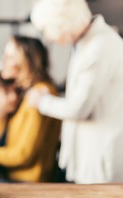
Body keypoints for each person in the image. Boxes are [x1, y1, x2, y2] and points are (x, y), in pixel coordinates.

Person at [28, 0, 123, 183]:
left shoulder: (100, 46)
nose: (48, 38)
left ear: (61, 24)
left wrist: (42, 102)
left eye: (47, 30)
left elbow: (79, 108)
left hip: (101, 152)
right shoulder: (87, 42)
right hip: (89, 147)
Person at [0, 35, 61, 182]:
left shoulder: (39, 94)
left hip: (25, 183)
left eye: (9, 57)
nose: (3, 60)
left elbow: (23, 155)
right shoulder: (26, 91)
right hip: (14, 176)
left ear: (26, 63)